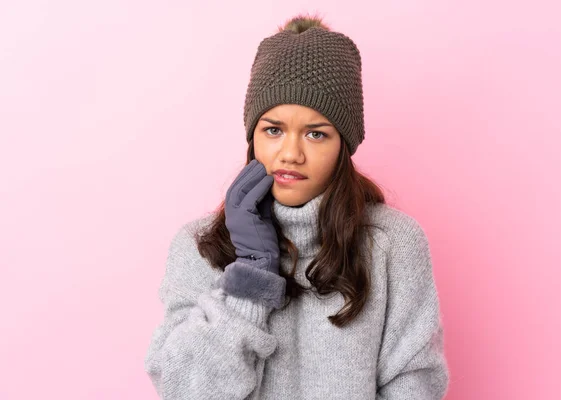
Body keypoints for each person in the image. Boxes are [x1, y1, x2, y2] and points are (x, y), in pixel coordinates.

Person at [143, 14, 450, 399]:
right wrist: (250, 278)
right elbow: (184, 390)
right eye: (273, 130)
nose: (291, 153)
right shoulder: (200, 245)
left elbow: (415, 382)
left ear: (344, 145)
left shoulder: (393, 243)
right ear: (252, 136)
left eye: (316, 134)